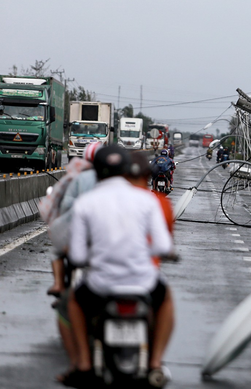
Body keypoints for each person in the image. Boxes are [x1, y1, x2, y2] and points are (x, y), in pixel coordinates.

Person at [64, 145, 175, 388]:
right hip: (143, 282)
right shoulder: (147, 199)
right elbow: (163, 246)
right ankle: (155, 363)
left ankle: (83, 364)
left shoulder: (86, 202)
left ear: (97, 172)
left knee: (73, 301)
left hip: (100, 284)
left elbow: (78, 255)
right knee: (165, 300)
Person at [38, 142, 102, 384]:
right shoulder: (124, 184)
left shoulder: (78, 175)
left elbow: (62, 203)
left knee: (58, 251)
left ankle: (59, 285)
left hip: (78, 233)